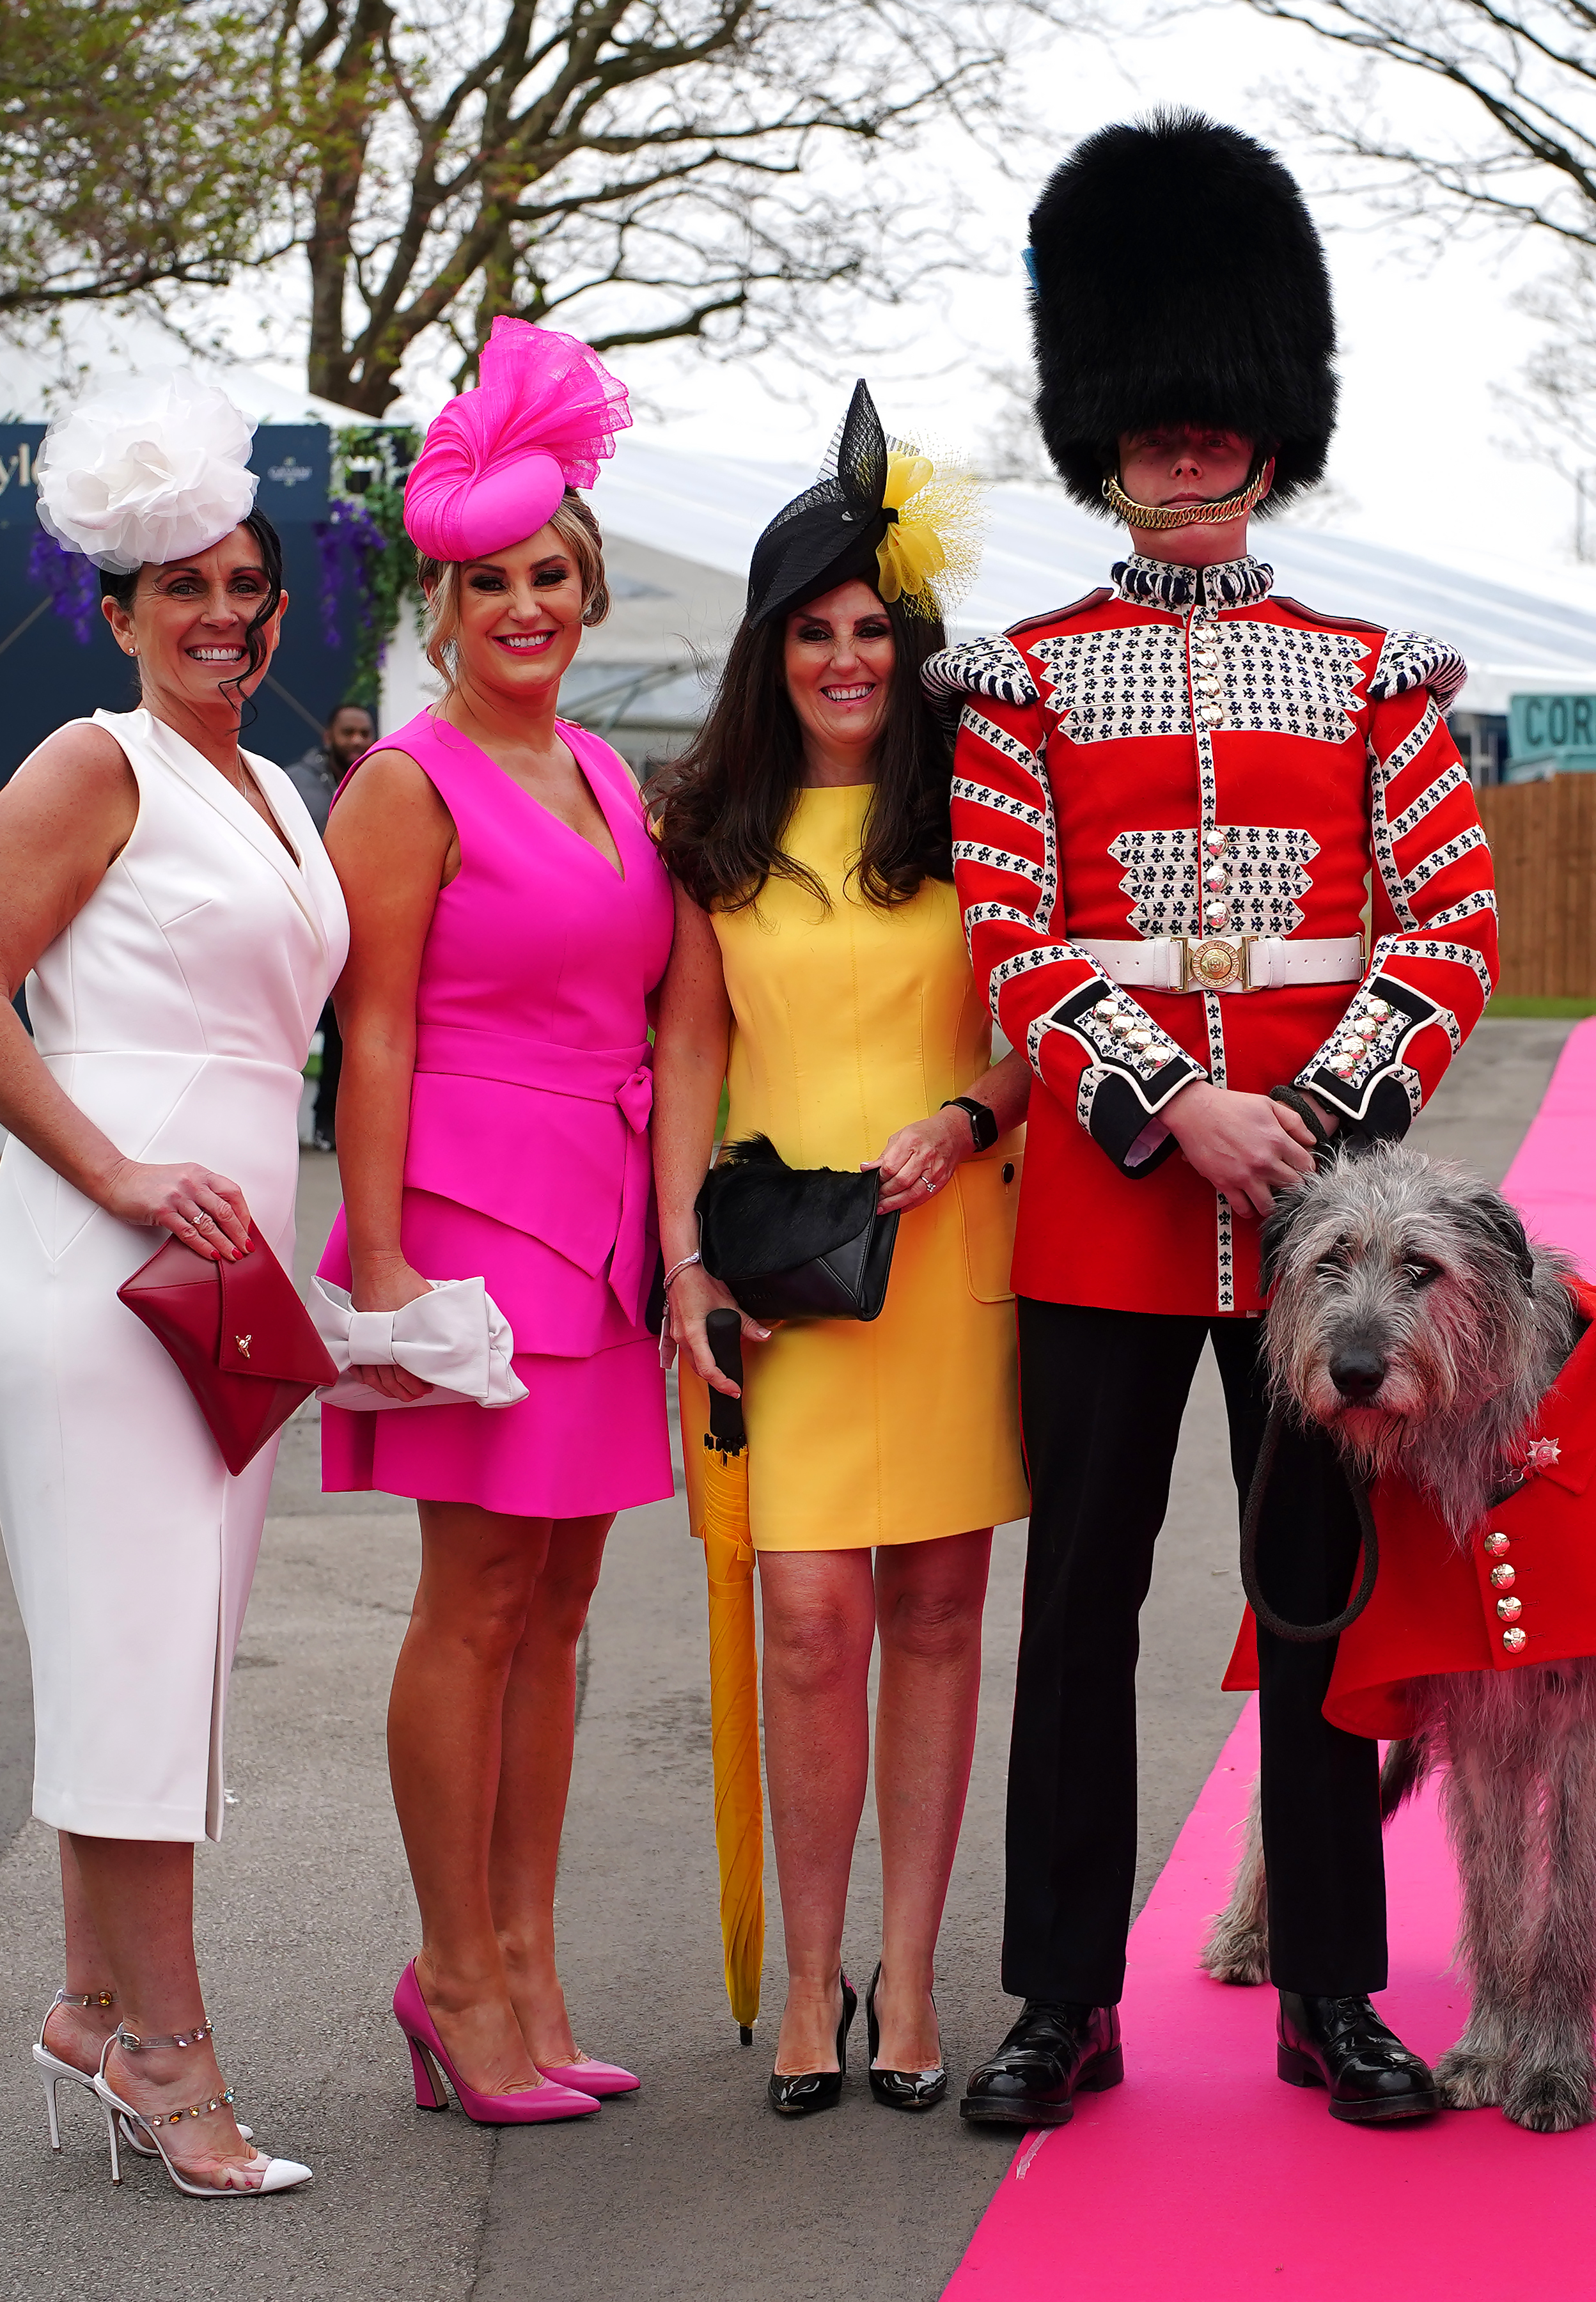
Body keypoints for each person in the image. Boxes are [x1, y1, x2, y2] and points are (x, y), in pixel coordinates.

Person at [936, 113, 1498, 2129]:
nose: (1184, 449)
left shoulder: (1367, 676)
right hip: (1106, 1209)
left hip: (1318, 1236)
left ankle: (1329, 1993)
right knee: (1076, 1602)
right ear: (1107, 435)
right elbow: (1011, 930)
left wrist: (1314, 1128)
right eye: (1151, 423)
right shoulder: (1020, 681)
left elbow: (1450, 923)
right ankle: (1059, 1997)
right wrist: (1177, 1104)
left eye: (1213, 418)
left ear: (1269, 427)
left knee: (1319, 1603)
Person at [0, 376, 343, 2196]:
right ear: (119, 610)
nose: (227, 615)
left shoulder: (268, 782)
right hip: (104, 1278)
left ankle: (96, 2006)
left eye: (248, 583)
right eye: (186, 588)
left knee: (156, 1668)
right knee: (143, 1664)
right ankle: (172, 2064)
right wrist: (116, 1174)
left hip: (216, 1287)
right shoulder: (95, 760)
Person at [650, 380, 1032, 2117]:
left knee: (941, 1611)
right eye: (813, 630)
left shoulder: (979, 823)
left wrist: (972, 1115)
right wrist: (685, 1272)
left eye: (876, 628)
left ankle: (914, 1975)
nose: (847, 658)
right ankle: (808, 1977)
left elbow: (1043, 1028)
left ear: (915, 641)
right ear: (769, 647)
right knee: (807, 1615)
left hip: (953, 1260)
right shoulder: (711, 835)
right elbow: (687, 1059)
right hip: (783, 1280)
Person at [321, 318, 672, 2126]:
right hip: (469, 1221)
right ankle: (452, 1974)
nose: (522, 605)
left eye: (549, 575)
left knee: (564, 1598)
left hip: (603, 1233)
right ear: (443, 608)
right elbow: (369, 1027)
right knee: (473, 1603)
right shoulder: (409, 780)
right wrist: (380, 1265)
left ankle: (524, 1967)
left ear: (584, 589)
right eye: (488, 582)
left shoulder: (610, 780)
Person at [284, 700, 377, 1148]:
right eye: (349, 733)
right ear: (329, 737)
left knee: (344, 1039)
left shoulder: (377, 783)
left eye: (364, 733)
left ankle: (327, 1126)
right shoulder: (294, 786)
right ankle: (277, 1125)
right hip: (302, 935)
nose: (357, 741)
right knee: (290, 1032)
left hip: (355, 940)